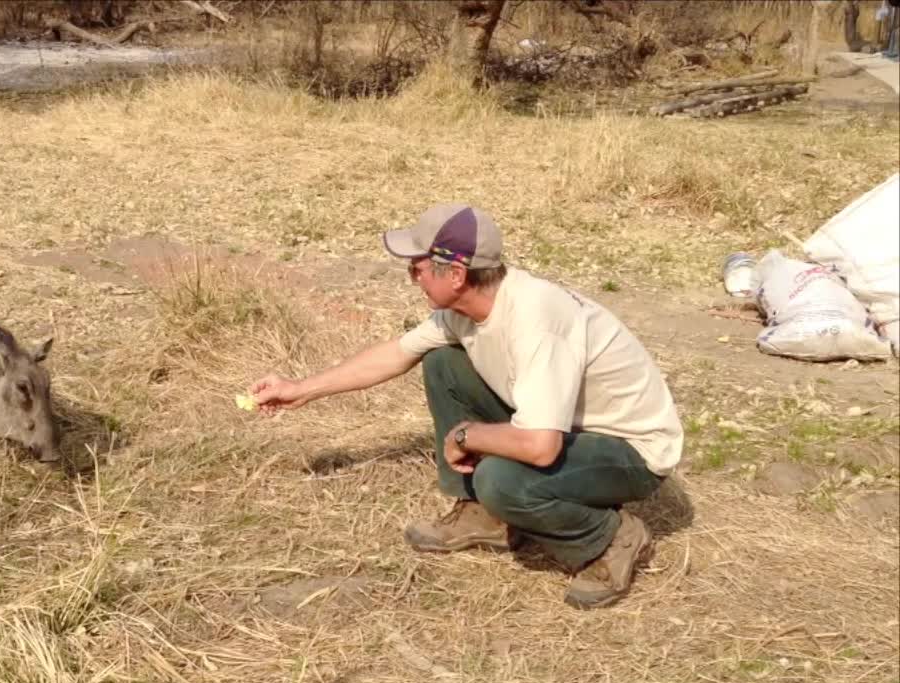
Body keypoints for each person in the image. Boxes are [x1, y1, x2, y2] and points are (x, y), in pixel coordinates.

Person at [249, 203, 684, 609]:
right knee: (442, 363)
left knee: (500, 477)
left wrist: (467, 435)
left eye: (416, 267)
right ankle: (484, 514)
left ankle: (609, 538)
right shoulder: (465, 309)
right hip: (565, 428)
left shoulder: (536, 320)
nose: (410, 276)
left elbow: (541, 448)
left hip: (629, 452)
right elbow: (396, 353)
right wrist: (300, 389)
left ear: (455, 274)